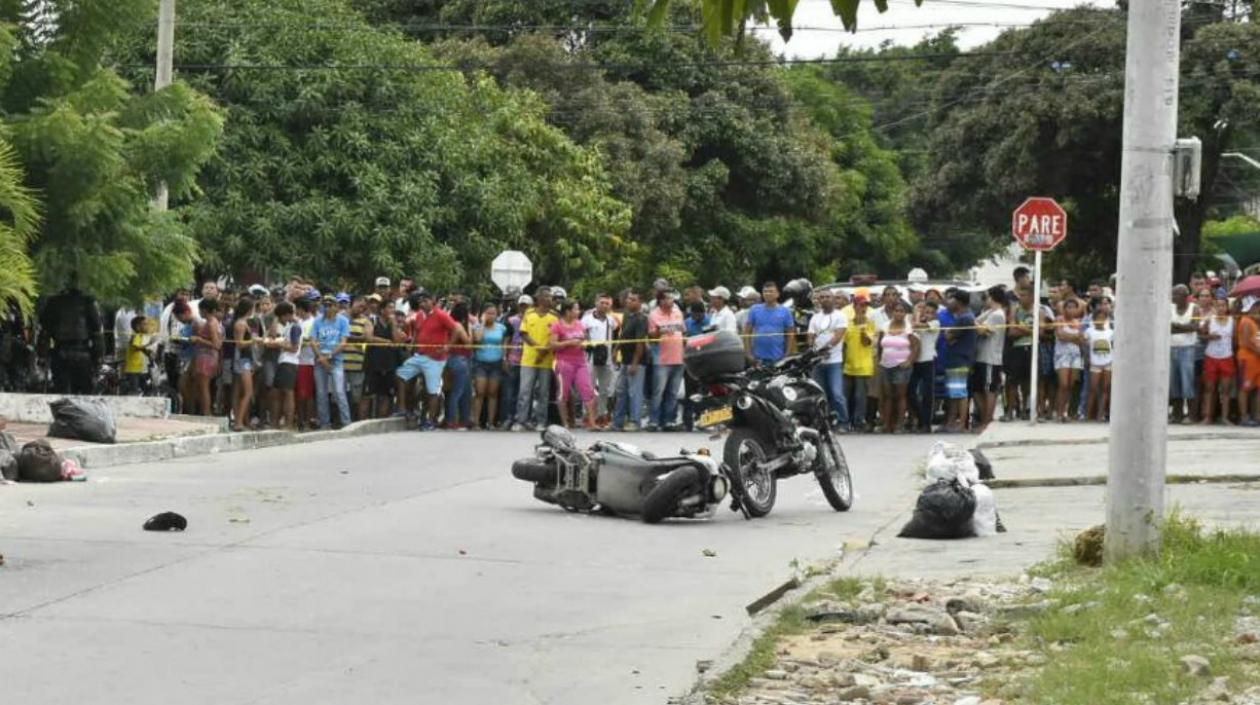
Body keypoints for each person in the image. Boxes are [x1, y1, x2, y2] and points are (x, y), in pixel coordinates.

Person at [397, 291, 467, 431]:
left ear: (432, 301)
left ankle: (430, 421)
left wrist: (448, 346)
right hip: (420, 355)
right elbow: (417, 333)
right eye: (421, 301)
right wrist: (413, 349)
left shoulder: (441, 315)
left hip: (435, 359)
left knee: (432, 390)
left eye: (426, 301)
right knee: (400, 375)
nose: (423, 303)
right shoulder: (419, 316)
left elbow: (457, 329)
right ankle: (402, 408)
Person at [38, 276, 104, 394]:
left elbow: (45, 331)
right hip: (76, 352)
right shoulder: (86, 302)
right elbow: (96, 330)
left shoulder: (55, 302)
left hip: (65, 352)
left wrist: (42, 354)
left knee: (65, 389)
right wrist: (98, 356)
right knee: (81, 391)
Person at [513, 287, 557, 431]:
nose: (549, 299)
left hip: (546, 360)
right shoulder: (529, 313)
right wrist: (538, 348)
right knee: (525, 391)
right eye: (546, 296)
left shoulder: (554, 317)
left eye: (550, 297)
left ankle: (541, 421)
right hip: (528, 359)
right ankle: (521, 420)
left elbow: (554, 338)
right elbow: (524, 334)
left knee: (543, 392)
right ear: (538, 298)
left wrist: (544, 352)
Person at [551, 300, 599, 429]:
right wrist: (568, 343)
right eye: (576, 309)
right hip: (564, 362)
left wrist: (585, 344)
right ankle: (565, 423)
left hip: (581, 361)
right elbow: (553, 345)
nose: (578, 312)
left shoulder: (580, 324)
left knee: (587, 390)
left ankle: (592, 422)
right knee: (563, 392)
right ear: (568, 311)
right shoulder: (557, 326)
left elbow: (584, 339)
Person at [807, 290, 848, 430]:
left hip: (834, 361)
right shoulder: (815, 318)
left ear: (833, 299)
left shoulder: (840, 316)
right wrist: (813, 350)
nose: (825, 299)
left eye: (828, 297)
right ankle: (823, 423)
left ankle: (843, 422)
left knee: (836, 394)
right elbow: (810, 336)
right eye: (822, 297)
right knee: (819, 395)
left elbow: (838, 336)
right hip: (817, 362)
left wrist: (825, 348)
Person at [877, 301, 919, 434]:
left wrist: (909, 361)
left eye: (902, 311)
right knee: (888, 396)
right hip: (885, 365)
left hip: (902, 366)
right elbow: (880, 344)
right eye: (896, 310)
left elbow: (915, 346)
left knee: (901, 395)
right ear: (892, 312)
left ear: (905, 314)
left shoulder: (909, 327)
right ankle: (887, 424)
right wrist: (880, 360)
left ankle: (899, 425)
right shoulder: (885, 326)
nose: (899, 313)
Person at [311, 294, 352, 431]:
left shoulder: (343, 321)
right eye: (325, 305)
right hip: (320, 360)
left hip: (336, 359)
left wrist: (328, 355)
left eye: (330, 305)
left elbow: (343, 342)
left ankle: (346, 422)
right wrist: (321, 357)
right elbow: (313, 341)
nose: (327, 307)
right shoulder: (317, 321)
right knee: (321, 393)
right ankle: (325, 423)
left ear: (336, 306)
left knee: (339, 392)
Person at [648, 290, 686, 431]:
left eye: (672, 299)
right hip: (662, 358)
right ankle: (653, 421)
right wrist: (662, 330)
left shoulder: (677, 312)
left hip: (678, 357)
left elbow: (683, 330)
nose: (672, 301)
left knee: (672, 392)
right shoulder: (654, 314)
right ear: (661, 301)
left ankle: (669, 421)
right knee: (658, 391)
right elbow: (651, 335)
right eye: (669, 299)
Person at [941, 291, 977, 433]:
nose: (949, 302)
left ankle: (962, 423)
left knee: (960, 393)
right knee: (953, 392)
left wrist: (949, 334)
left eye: (951, 299)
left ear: (959, 302)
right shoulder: (963, 317)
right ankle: (951, 422)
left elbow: (949, 336)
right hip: (955, 359)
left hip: (960, 359)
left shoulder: (965, 318)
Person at [973, 286, 1007, 431]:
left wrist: (973, 322)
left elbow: (982, 330)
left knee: (989, 390)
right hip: (981, 356)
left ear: (992, 298)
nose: (985, 300)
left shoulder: (997, 314)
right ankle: (983, 419)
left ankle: (987, 422)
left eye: (986, 297)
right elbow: (976, 321)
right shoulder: (989, 312)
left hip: (990, 358)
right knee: (977, 389)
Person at [613, 290, 648, 431]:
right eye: (628, 299)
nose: (629, 302)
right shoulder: (627, 315)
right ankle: (618, 422)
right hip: (625, 359)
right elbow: (624, 335)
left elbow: (640, 343)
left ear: (640, 303)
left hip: (637, 362)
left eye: (633, 300)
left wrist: (635, 363)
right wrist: (616, 350)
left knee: (635, 393)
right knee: (621, 391)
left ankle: (635, 421)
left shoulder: (642, 319)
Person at [264, 301, 302, 430]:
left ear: (286, 315)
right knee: (278, 392)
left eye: (280, 317)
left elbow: (294, 348)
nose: (280, 320)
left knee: (288, 393)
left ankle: (288, 423)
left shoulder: (295, 327)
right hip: (284, 361)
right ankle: (276, 422)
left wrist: (280, 345)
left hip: (290, 362)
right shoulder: (288, 326)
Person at [843, 293, 877, 432]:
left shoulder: (870, 323)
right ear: (855, 306)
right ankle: (847, 420)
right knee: (846, 395)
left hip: (864, 365)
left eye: (866, 305)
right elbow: (844, 344)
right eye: (861, 305)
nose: (863, 308)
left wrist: (862, 327)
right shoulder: (848, 323)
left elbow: (866, 342)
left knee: (860, 396)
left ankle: (858, 421)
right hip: (848, 365)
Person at [582, 294, 619, 424]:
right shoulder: (587, 319)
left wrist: (614, 352)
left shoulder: (611, 320)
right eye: (602, 302)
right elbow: (583, 335)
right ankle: (588, 414)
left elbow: (616, 335)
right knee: (589, 387)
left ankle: (602, 414)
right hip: (591, 357)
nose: (604, 305)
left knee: (605, 389)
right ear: (596, 303)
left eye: (607, 303)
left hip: (607, 358)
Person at [362, 295, 400, 419]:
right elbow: (368, 337)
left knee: (386, 396)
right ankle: (362, 422)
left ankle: (379, 423)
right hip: (372, 365)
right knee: (367, 395)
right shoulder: (371, 321)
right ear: (382, 310)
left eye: (393, 308)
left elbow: (396, 341)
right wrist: (385, 342)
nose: (392, 311)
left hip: (388, 365)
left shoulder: (393, 323)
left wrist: (394, 324)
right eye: (389, 308)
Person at [1200, 296, 1236, 425]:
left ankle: (1225, 417)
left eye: (1223, 305)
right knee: (1209, 389)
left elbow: (1235, 340)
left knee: (1225, 390)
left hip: (1227, 357)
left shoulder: (1232, 321)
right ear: (1215, 307)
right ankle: (1207, 417)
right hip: (1211, 356)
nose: (1221, 308)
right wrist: (1210, 336)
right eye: (1218, 305)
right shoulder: (1210, 320)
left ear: (1227, 307)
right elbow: (1202, 336)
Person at [471, 303, 507, 430]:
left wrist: (504, 359)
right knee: (480, 393)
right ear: (483, 314)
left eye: (494, 313)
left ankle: (490, 422)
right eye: (488, 313)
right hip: (481, 363)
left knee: (493, 393)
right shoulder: (477, 327)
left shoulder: (502, 328)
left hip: (496, 363)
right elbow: (478, 339)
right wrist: (482, 323)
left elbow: (504, 345)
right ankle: (476, 422)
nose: (491, 316)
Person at [744, 281, 796, 366]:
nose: (768, 294)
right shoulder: (754, 309)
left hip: (778, 358)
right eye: (765, 291)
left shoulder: (785, 311)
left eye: (771, 291)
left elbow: (791, 334)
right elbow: (746, 332)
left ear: (777, 294)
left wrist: (787, 355)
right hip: (758, 359)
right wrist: (748, 354)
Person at [1053, 298, 1086, 423]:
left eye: (1074, 307)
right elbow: (1060, 336)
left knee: (1071, 385)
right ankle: (1059, 412)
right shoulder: (1059, 320)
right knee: (1063, 384)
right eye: (1068, 307)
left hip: (1076, 355)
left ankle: (1065, 412)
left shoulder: (1078, 322)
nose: (1071, 309)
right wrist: (1075, 337)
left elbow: (1082, 341)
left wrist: (1073, 337)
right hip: (1062, 355)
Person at [1170, 284, 1199, 424]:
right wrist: (1185, 328)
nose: (1173, 297)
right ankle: (1177, 414)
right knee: (1174, 382)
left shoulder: (1194, 308)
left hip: (1187, 349)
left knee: (1187, 381)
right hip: (1172, 348)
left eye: (1176, 294)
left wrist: (1177, 326)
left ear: (1185, 296)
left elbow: (1195, 327)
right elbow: (1167, 328)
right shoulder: (1170, 308)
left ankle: (1191, 415)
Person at [444, 300, 474, 430]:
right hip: (460, 359)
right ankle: (452, 420)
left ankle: (463, 419)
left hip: (454, 359)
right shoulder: (459, 326)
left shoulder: (450, 324)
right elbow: (468, 343)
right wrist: (471, 331)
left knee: (464, 391)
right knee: (458, 391)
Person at [910, 300, 940, 432]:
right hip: (915, 360)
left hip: (928, 359)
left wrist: (917, 314)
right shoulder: (915, 320)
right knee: (910, 391)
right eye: (926, 312)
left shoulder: (935, 323)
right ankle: (920, 418)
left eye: (931, 313)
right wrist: (917, 313)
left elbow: (916, 326)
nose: (928, 315)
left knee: (927, 393)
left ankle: (926, 424)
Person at [190, 299, 223, 417]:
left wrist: (199, 339)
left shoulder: (211, 323)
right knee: (202, 387)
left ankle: (206, 412)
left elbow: (216, 344)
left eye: (200, 310)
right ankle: (205, 411)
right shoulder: (215, 322)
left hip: (207, 357)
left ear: (205, 310)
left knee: (204, 387)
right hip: (208, 357)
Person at [681, 301, 711, 431]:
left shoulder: (709, 322)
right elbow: (684, 339)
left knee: (703, 391)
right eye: (692, 314)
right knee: (689, 391)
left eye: (697, 315)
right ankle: (687, 421)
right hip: (691, 360)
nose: (694, 317)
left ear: (702, 313)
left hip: (705, 361)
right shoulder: (687, 322)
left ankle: (701, 419)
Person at [500, 295, 529, 427]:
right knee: (509, 392)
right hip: (513, 360)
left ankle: (522, 419)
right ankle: (508, 418)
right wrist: (504, 358)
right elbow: (506, 340)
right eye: (522, 305)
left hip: (529, 361)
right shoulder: (511, 321)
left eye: (527, 305)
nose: (524, 308)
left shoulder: (533, 320)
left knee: (524, 393)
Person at [343, 297, 370, 421]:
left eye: (363, 307)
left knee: (356, 396)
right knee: (339, 395)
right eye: (359, 305)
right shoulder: (340, 318)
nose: (361, 309)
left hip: (357, 364)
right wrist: (355, 337)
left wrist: (347, 337)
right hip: (339, 364)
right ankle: (341, 420)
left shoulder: (366, 321)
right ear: (351, 303)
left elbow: (366, 338)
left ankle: (354, 421)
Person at [1085, 308, 1114, 422]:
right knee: (1093, 389)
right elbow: (1085, 346)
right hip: (1095, 363)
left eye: (1103, 318)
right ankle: (1088, 415)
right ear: (1094, 319)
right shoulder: (1089, 331)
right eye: (1098, 318)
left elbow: (1113, 346)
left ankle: (1100, 415)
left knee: (1105, 389)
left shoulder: (1110, 332)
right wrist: (1087, 359)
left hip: (1108, 362)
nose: (1100, 320)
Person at [295, 298, 318, 430]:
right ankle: (301, 420)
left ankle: (308, 420)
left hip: (307, 361)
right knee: (301, 393)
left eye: (297, 308)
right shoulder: (300, 322)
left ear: (301, 309)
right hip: (300, 361)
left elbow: (304, 342)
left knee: (306, 394)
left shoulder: (312, 323)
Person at [1237, 300, 1260, 427]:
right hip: (1247, 359)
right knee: (1244, 388)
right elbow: (1246, 342)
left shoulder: (1254, 322)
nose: (1258, 308)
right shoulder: (1245, 321)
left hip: (1256, 361)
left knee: (1257, 389)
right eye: (1256, 305)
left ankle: (1257, 416)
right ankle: (1244, 417)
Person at [122, 315, 153, 395]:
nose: (147, 326)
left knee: (146, 389)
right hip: (133, 369)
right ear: (138, 327)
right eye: (145, 324)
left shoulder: (140, 336)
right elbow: (136, 346)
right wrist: (147, 350)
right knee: (134, 391)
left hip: (139, 369)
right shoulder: (136, 336)